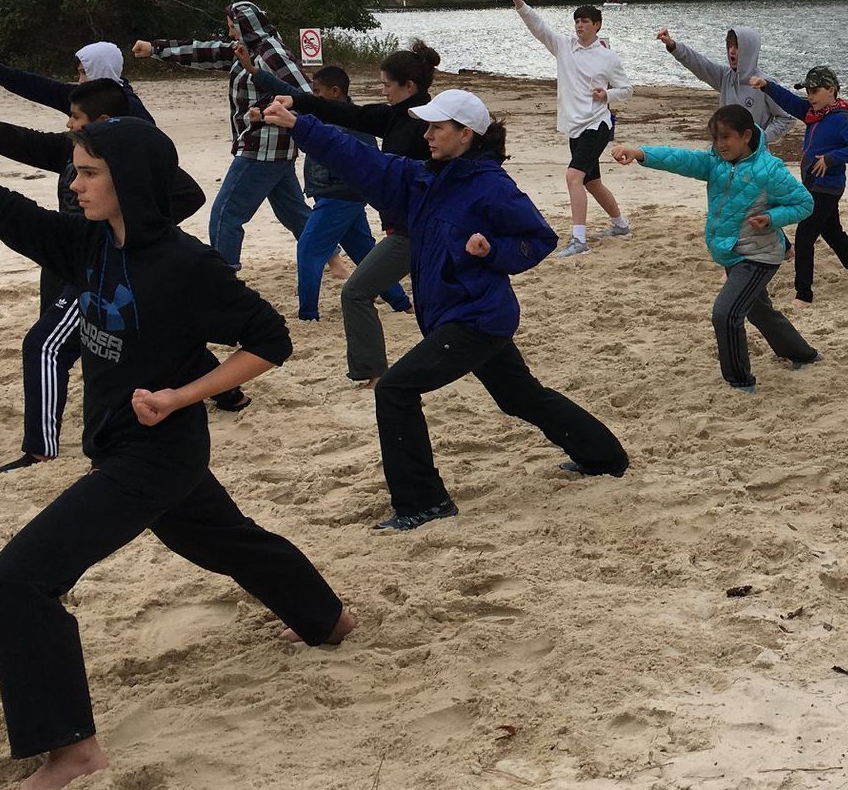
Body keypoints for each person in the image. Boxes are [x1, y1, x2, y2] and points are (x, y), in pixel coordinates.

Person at [0, 115, 353, 790]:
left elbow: (270, 340)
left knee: (21, 578)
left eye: (87, 173)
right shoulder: (83, 244)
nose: (72, 184)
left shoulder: (185, 265)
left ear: (129, 182)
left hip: (156, 453)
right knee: (222, 539)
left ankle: (73, 754)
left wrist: (182, 395)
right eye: (73, 171)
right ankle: (326, 620)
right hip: (121, 444)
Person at [261, 89, 629, 530]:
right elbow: (359, 160)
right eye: (428, 125)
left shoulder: (491, 186)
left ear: (466, 134)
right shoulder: (422, 178)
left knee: (394, 390)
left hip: (476, 318)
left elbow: (537, 239)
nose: (428, 134)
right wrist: (300, 125)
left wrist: (493, 250)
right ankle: (604, 456)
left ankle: (424, 503)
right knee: (519, 396)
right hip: (456, 314)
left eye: (438, 127)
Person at [0, 80, 206, 470]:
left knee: (44, 346)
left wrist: (125, 234)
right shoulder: (75, 149)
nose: (67, 124)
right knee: (144, 332)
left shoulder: (131, 157)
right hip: (64, 260)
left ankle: (39, 450)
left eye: (74, 117)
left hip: (96, 267)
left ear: (101, 120)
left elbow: (191, 194)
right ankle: (231, 394)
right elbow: (13, 139)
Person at [253, 40, 440, 385]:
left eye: (386, 84)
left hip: (423, 230)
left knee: (356, 292)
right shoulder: (398, 116)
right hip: (407, 228)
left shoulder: (424, 124)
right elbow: (345, 112)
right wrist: (295, 101)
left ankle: (373, 373)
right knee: (441, 303)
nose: (382, 90)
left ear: (409, 87)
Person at [612, 105, 818, 391]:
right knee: (759, 311)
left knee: (726, 313)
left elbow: (805, 203)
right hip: (731, 251)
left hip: (760, 255)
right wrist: (641, 153)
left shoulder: (770, 170)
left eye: (726, 137)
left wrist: (772, 218)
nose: (720, 145)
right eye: (715, 138)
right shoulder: (715, 161)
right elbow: (681, 159)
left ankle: (740, 382)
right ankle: (803, 355)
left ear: (746, 136)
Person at [132, 1, 313, 269]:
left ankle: (223, 277)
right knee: (296, 215)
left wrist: (263, 113)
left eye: (232, 27)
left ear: (246, 26)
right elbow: (206, 52)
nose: (229, 34)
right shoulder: (247, 49)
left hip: (262, 147)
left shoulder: (271, 52)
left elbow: (304, 96)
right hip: (273, 149)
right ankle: (337, 255)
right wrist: (156, 48)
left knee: (225, 215)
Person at [502, 0, 631, 257]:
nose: (579, 25)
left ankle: (579, 240)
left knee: (573, 177)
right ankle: (620, 225)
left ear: (598, 25)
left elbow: (628, 89)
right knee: (591, 182)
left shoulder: (608, 57)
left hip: (597, 124)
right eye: (576, 21)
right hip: (575, 126)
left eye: (585, 21)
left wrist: (606, 96)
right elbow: (537, 26)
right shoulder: (563, 46)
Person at [288, 65, 410, 323]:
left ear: (335, 92)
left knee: (308, 248)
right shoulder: (326, 116)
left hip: (340, 195)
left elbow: (367, 163)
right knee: (364, 250)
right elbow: (290, 97)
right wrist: (256, 72)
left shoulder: (355, 122)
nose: (314, 97)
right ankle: (401, 303)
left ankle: (307, 315)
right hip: (337, 195)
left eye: (318, 92)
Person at [749, 65, 848, 303]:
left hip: (827, 187)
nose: (810, 96)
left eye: (815, 91)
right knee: (833, 232)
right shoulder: (813, 113)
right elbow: (789, 101)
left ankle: (803, 294)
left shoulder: (841, 117)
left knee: (805, 234)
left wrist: (831, 158)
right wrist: (767, 87)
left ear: (832, 90)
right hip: (814, 185)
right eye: (808, 91)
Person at [656, 24, 797, 144]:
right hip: (724, 152)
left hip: (755, 158)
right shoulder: (725, 77)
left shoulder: (765, 83)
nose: (731, 51)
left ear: (749, 50)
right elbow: (699, 63)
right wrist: (672, 46)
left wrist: (762, 137)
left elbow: (787, 117)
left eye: (737, 46)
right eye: (729, 45)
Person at [0, 41, 154, 123]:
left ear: (102, 69)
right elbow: (30, 85)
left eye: (84, 73)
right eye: (79, 73)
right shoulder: (78, 98)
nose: (80, 81)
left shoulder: (131, 107)